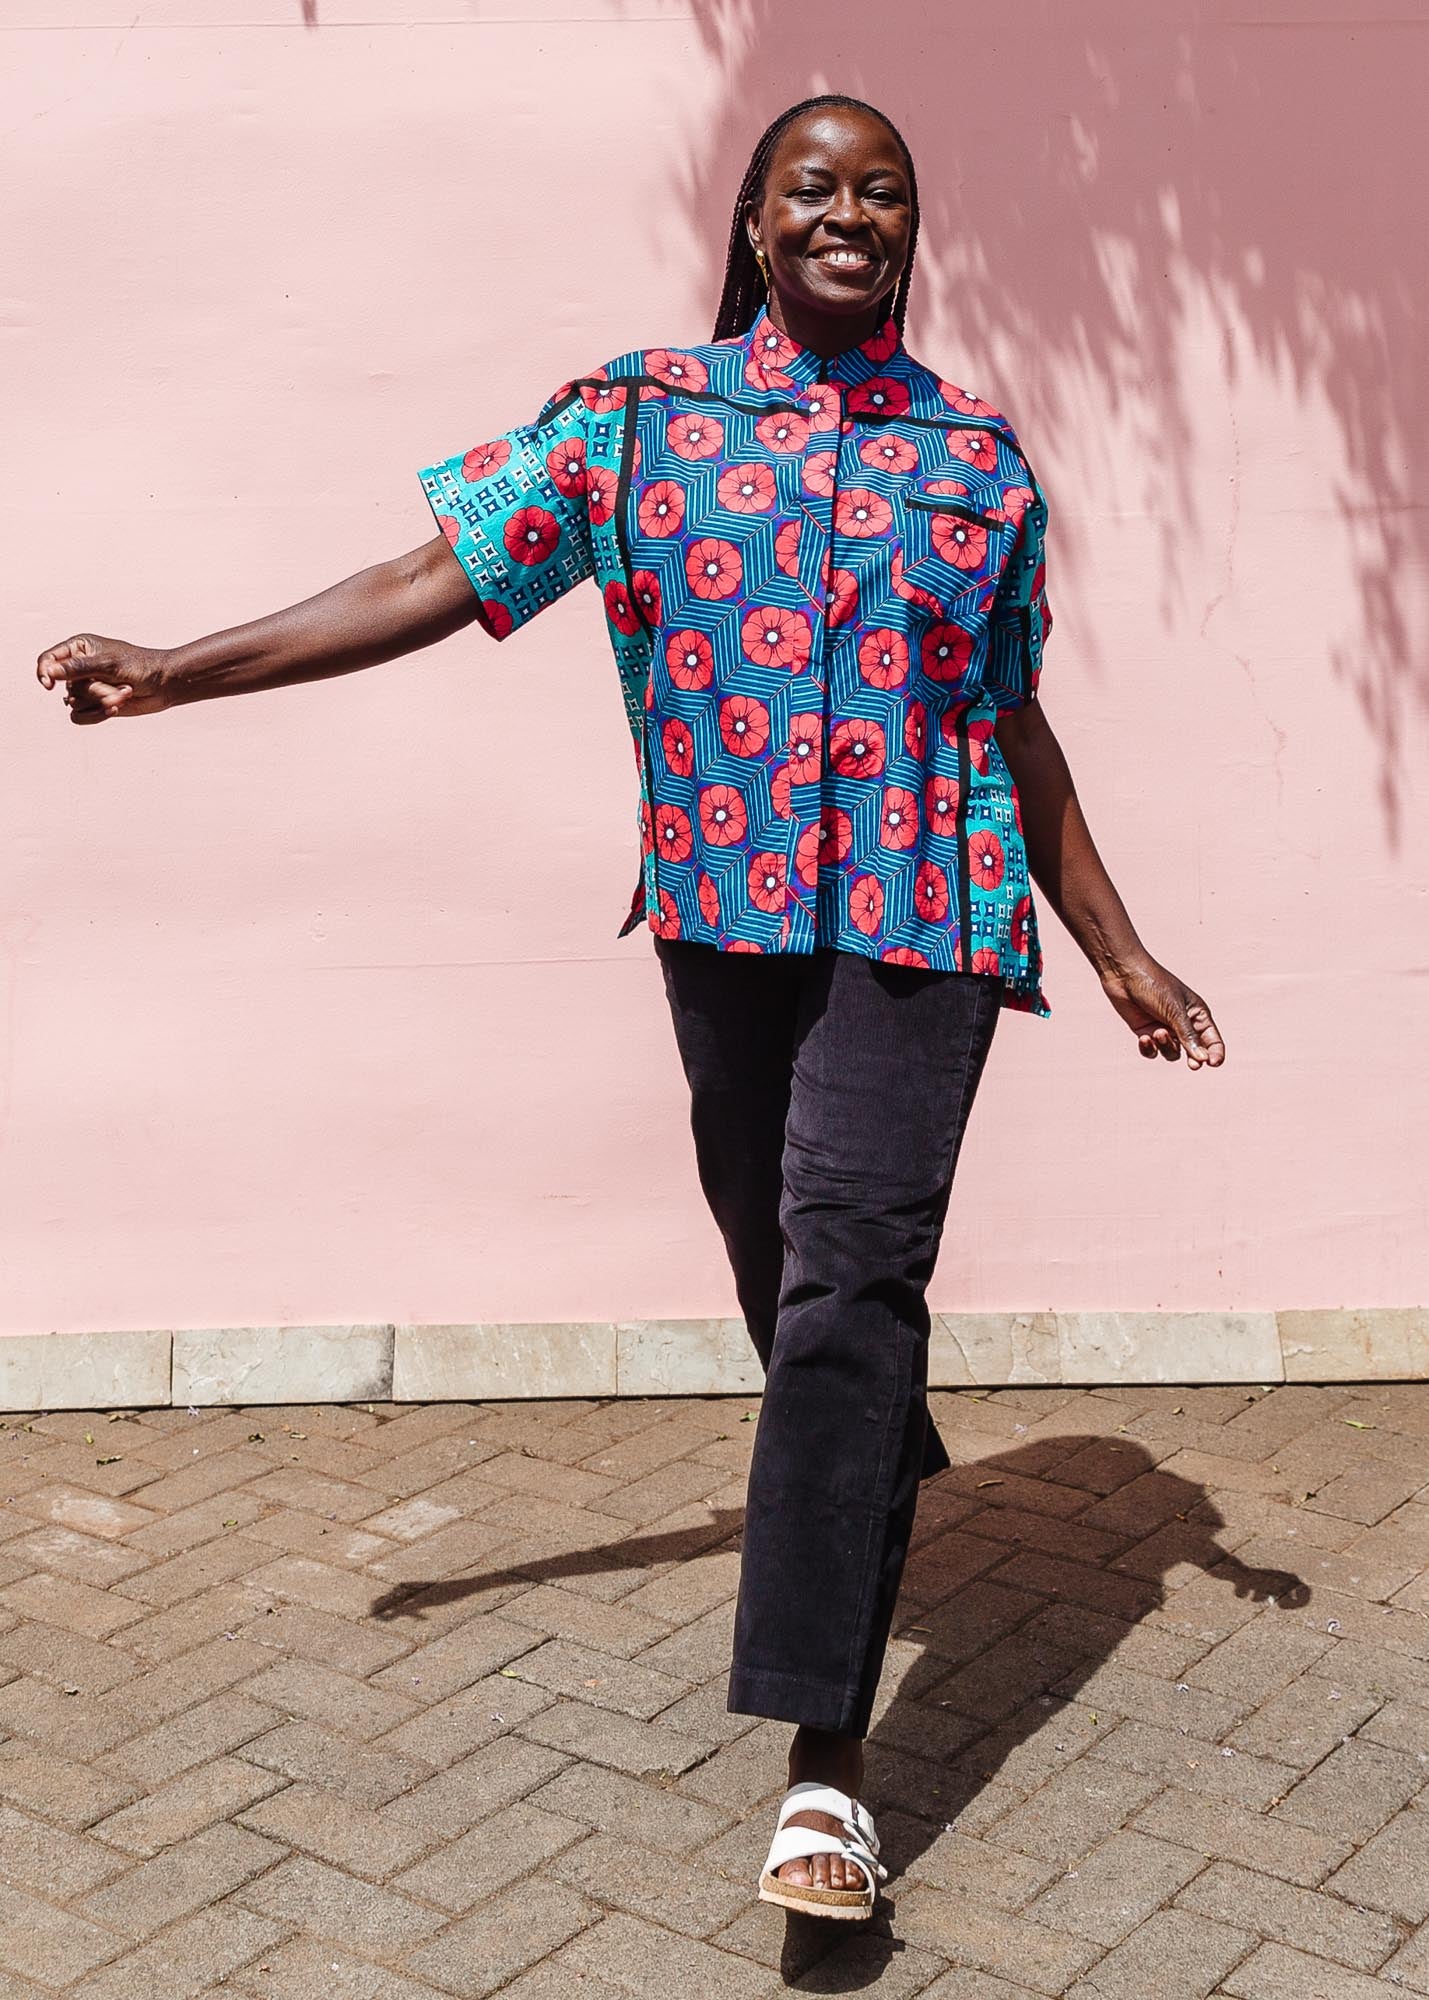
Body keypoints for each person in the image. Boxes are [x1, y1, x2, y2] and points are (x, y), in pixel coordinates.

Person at [36, 93, 1225, 1920]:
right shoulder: (635, 422)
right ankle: (866, 1436)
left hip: (931, 922)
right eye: (812, 188)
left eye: (883, 189)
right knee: (776, 1255)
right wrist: (183, 671)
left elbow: (1012, 723)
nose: (851, 213)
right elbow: (430, 578)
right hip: (725, 921)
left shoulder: (978, 458)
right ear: (755, 225)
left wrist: (1119, 948)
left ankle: (825, 1771)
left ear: (911, 229)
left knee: (846, 1274)